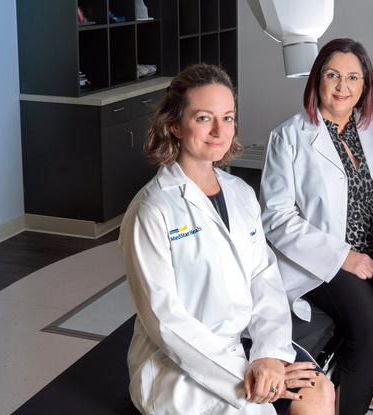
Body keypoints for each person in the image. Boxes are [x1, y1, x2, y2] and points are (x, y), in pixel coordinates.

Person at [119, 64, 334, 415]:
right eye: (204, 118)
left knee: (319, 392)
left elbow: (262, 276)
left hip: (244, 347)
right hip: (180, 367)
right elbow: (165, 321)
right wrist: (248, 374)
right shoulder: (152, 209)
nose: (220, 130)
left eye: (228, 117)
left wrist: (270, 355)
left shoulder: (240, 193)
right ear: (174, 124)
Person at [260, 38, 373, 414]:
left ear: (365, 85)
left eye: (353, 77)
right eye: (332, 75)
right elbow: (277, 218)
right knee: (371, 337)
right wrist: (345, 256)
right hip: (325, 262)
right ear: (317, 79)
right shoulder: (289, 137)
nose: (341, 86)